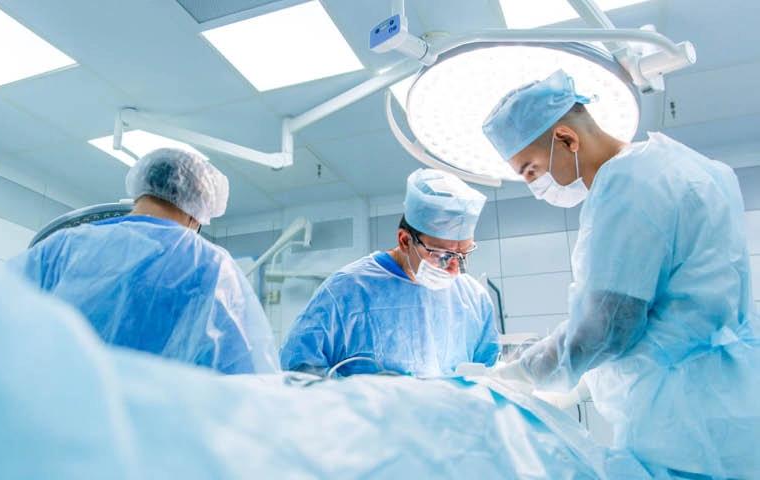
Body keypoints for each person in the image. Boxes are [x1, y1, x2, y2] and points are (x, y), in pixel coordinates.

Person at [481, 69, 759, 478]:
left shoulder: (626, 185)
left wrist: (519, 374)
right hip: (733, 408)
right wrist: (580, 383)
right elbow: (672, 314)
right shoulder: (694, 168)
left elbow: (606, 327)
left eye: (531, 170)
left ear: (566, 139)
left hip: (683, 430)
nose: (535, 185)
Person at [9, 148, 278, 375]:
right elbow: (248, 375)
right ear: (197, 212)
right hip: (152, 430)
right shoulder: (211, 265)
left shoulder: (62, 246)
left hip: (49, 417)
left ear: (141, 192)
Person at [280, 169, 499, 377]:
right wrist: (367, 399)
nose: (455, 269)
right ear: (405, 241)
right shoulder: (346, 290)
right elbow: (298, 369)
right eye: (442, 254)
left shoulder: (474, 299)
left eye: (464, 254)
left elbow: (489, 376)